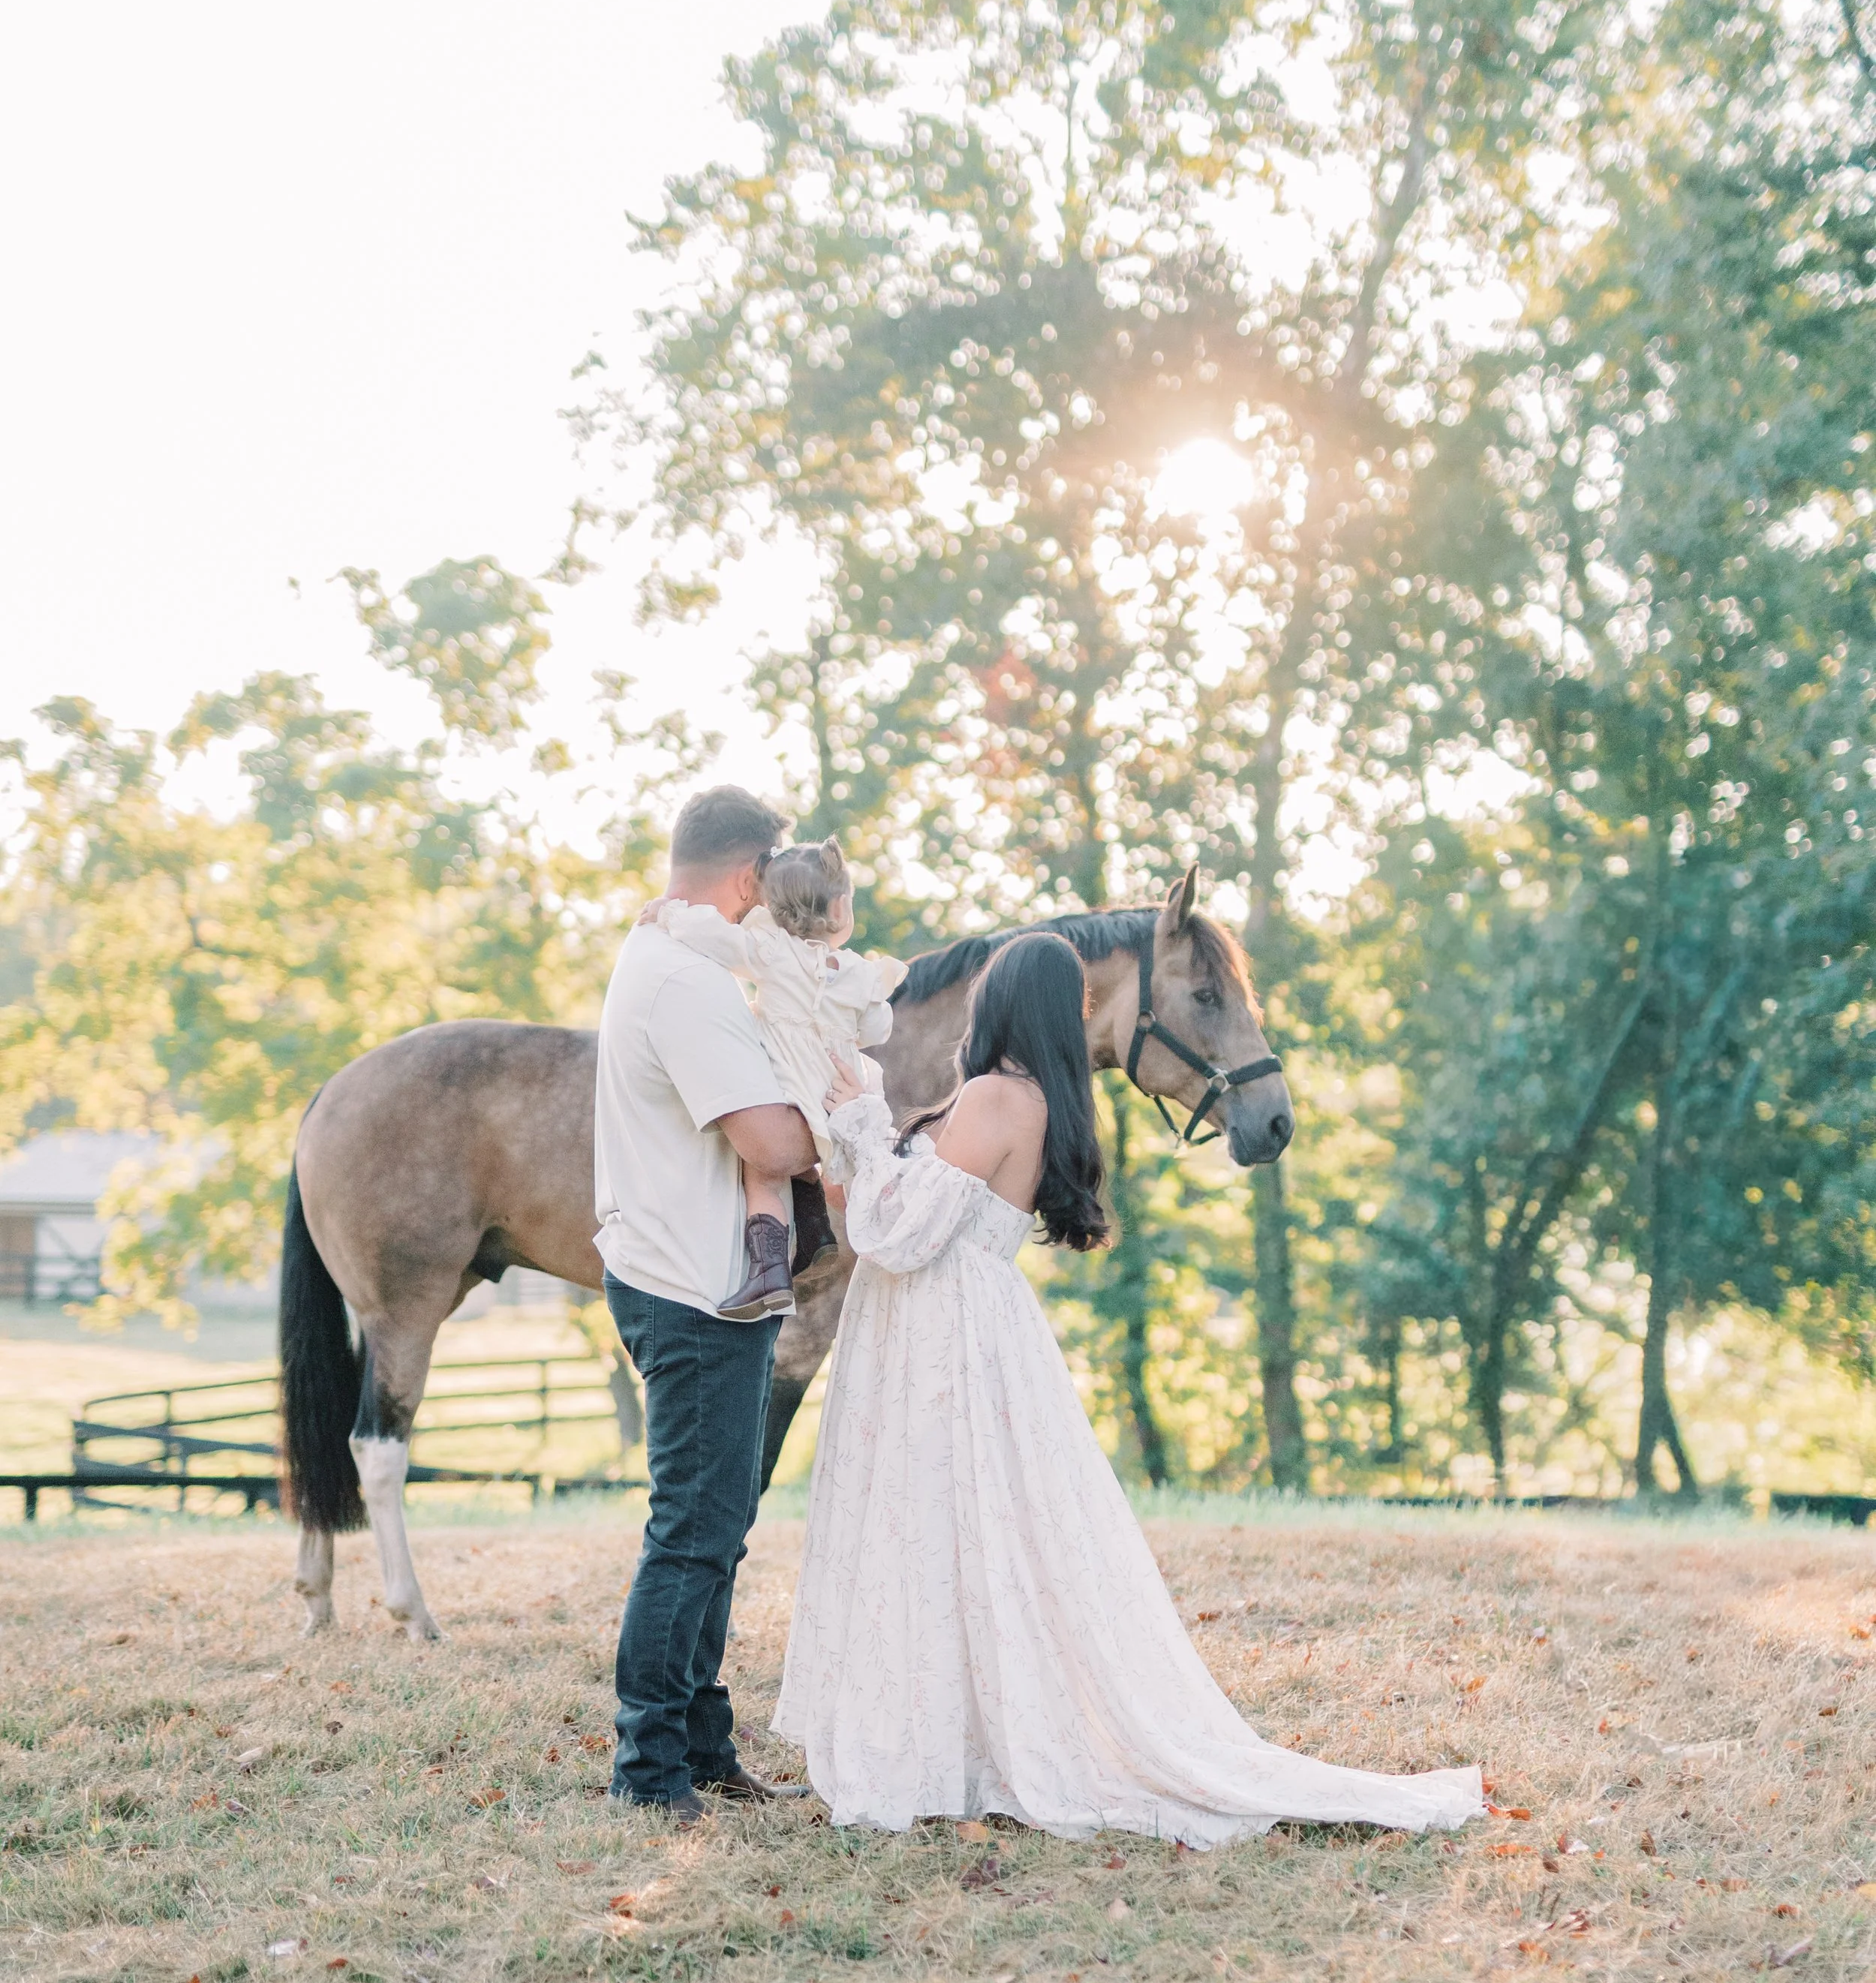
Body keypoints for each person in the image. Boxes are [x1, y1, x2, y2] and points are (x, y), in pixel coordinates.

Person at [773, 929, 1487, 1846]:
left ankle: (936, 1750)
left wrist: (867, 1123)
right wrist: (857, 1127)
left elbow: (895, 1236)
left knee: (944, 1532)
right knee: (951, 1542)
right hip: (945, 1334)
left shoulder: (998, 1096)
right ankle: (940, 1743)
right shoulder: (1018, 1098)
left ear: (1002, 1006)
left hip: (945, 1341)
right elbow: (877, 1209)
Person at [594, 784, 817, 1823]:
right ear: (745, 877)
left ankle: (702, 1739)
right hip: (692, 1290)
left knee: (717, 1528)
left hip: (689, 1275)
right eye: (766, 887)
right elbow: (769, 1145)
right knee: (690, 1530)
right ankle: (648, 1768)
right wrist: (840, 1116)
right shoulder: (687, 983)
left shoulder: (668, 957)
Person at [644, 837, 907, 1318]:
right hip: (837, 1095)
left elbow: (714, 937)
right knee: (824, 1170)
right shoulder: (858, 976)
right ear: (842, 908)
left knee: (761, 1171)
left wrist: (669, 913)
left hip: (789, 1088)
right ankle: (816, 1233)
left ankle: (769, 1274)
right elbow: (877, 1029)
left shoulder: (770, 954)